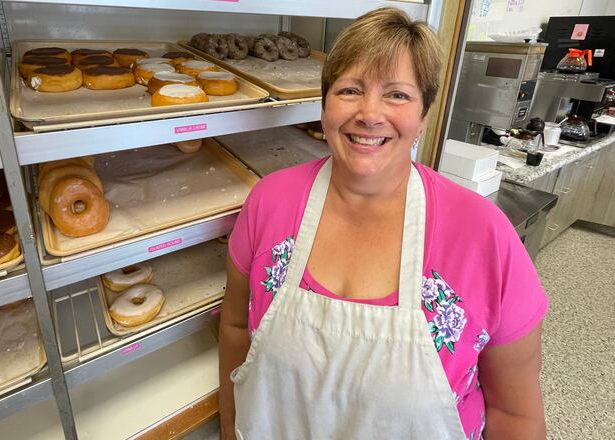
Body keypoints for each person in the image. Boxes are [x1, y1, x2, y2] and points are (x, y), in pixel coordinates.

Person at [219, 7, 548, 439]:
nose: (370, 114)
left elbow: (515, 415)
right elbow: (235, 328)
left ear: (424, 116)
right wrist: (229, 429)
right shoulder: (270, 202)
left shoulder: (486, 237)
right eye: (350, 90)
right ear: (324, 106)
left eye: (397, 95)